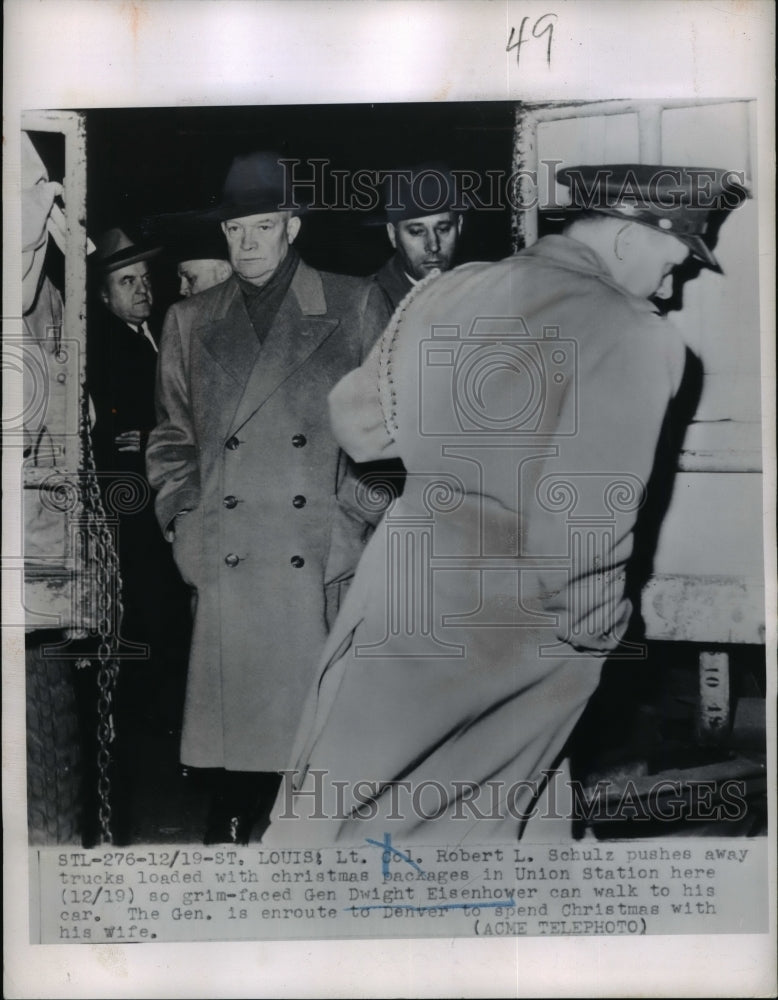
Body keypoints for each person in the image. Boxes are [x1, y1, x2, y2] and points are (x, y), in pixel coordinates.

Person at [264, 162, 748, 846]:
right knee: (477, 845)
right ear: (626, 239)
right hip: (512, 626)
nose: (671, 289)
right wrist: (593, 639)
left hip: (399, 584)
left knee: (339, 815)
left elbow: (358, 426)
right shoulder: (637, 335)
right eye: (673, 264)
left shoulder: (453, 288)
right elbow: (586, 528)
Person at [145, 151, 392, 843]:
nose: (246, 243)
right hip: (225, 556)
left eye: (260, 227)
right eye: (234, 231)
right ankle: (233, 822)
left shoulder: (352, 303)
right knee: (238, 766)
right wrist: (184, 522)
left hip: (316, 558)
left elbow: (389, 436)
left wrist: (353, 528)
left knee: (318, 765)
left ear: (292, 226)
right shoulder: (189, 321)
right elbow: (171, 437)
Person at [88, 230, 192, 751]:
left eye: (145, 279)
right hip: (133, 502)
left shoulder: (156, 333)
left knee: (163, 610)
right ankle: (147, 726)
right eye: (126, 282)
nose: (141, 289)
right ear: (104, 297)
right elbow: (113, 431)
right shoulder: (107, 347)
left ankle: (158, 720)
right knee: (149, 610)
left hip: (159, 492)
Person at [373, 163, 463, 310]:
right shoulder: (368, 305)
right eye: (416, 231)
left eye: (443, 229)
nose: (433, 246)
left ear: (459, 226)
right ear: (392, 234)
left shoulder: (485, 289)